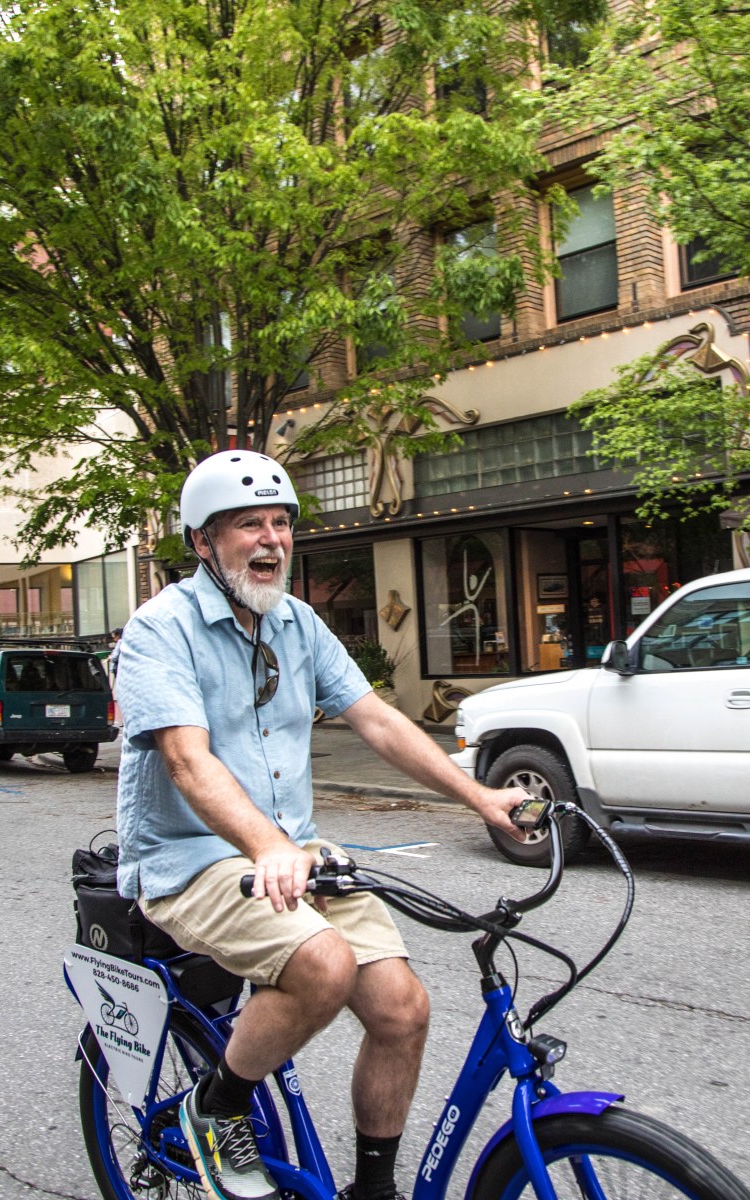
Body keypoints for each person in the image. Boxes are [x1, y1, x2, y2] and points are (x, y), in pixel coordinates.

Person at [114, 450, 531, 1200]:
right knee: (324, 966)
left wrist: (479, 797)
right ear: (203, 542)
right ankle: (217, 1106)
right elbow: (185, 759)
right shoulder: (159, 630)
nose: (272, 540)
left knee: (402, 1010)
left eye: (282, 523)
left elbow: (374, 718)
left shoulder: (297, 623)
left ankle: (372, 1191)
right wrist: (267, 843)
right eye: (249, 525)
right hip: (189, 859)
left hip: (293, 855)